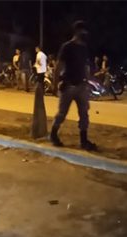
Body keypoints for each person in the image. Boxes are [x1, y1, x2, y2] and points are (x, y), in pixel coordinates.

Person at [50, 20, 97, 151]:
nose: (85, 33)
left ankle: (84, 140)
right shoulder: (67, 47)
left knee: (84, 114)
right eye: (83, 30)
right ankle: (53, 134)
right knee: (62, 114)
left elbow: (85, 66)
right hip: (68, 86)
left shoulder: (84, 48)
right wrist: (54, 85)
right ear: (77, 31)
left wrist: (87, 83)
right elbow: (58, 66)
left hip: (81, 86)